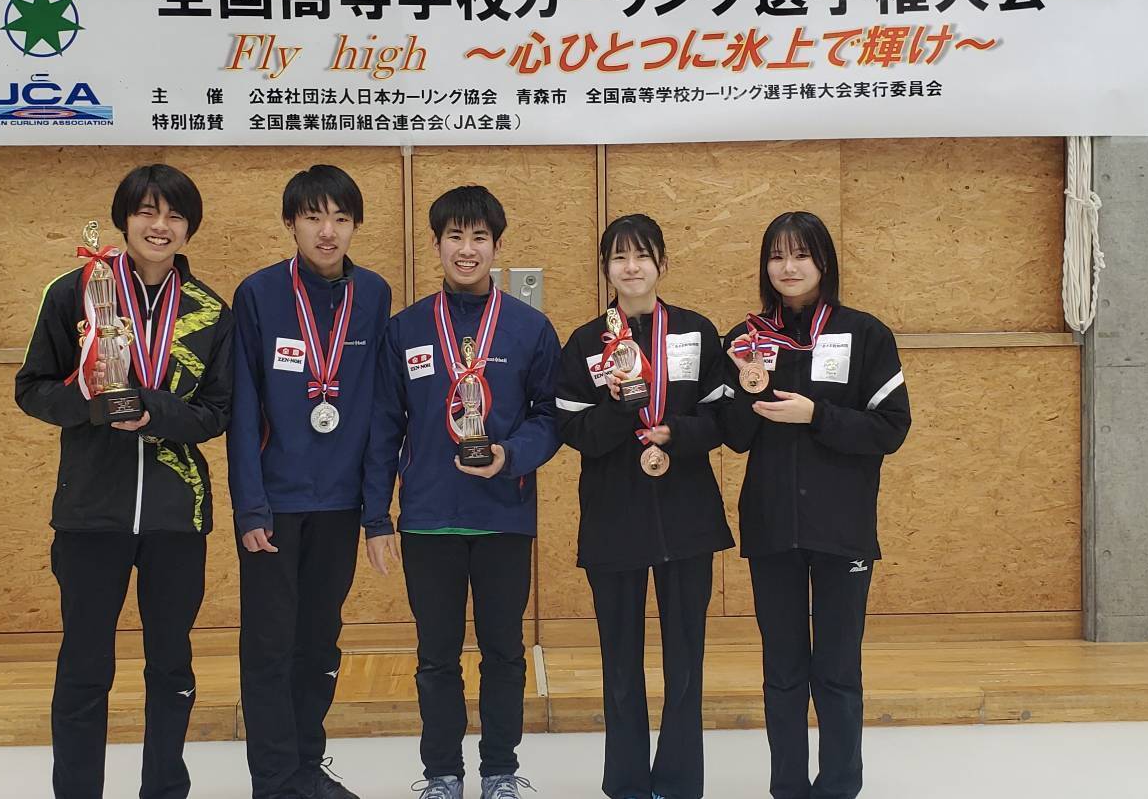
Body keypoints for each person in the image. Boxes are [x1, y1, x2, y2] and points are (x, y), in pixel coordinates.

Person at [15, 163, 235, 799]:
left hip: (176, 518)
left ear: (189, 228)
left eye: (174, 215)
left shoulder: (210, 311)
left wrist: (151, 411)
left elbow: (216, 413)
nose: (159, 226)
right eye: (147, 212)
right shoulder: (75, 293)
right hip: (91, 515)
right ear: (124, 219)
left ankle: (164, 790)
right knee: (85, 668)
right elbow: (31, 389)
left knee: (171, 666)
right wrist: (91, 403)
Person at [361, 185, 562, 799]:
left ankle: (500, 771)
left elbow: (550, 418)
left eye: (479, 237)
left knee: (504, 653)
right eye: (455, 236)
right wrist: (377, 517)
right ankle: (442, 773)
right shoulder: (406, 329)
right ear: (437, 243)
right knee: (435, 657)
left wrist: (509, 456)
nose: (467, 249)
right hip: (428, 519)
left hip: (504, 517)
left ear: (497, 246)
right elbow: (383, 426)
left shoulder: (529, 328)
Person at [719, 211, 911, 799]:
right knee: (782, 672)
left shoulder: (865, 334)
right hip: (772, 526)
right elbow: (734, 435)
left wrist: (816, 415)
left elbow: (891, 428)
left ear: (824, 262)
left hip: (841, 528)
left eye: (801, 254)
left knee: (837, 670)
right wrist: (746, 385)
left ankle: (838, 788)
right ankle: (787, 787)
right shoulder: (746, 340)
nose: (789, 266)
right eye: (777, 255)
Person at [554, 214, 734, 799]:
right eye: (619, 257)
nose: (631, 267)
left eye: (642, 256)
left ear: (662, 263)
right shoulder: (586, 342)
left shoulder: (697, 332)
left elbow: (722, 419)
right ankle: (627, 783)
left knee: (685, 662)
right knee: (619, 664)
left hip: (686, 515)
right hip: (614, 517)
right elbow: (571, 430)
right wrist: (617, 410)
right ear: (605, 268)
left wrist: (675, 432)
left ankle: (678, 783)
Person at [228, 164, 392, 799]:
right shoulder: (259, 294)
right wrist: (250, 507)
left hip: (340, 504)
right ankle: (273, 780)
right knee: (270, 646)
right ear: (290, 223)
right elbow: (244, 410)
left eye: (341, 219)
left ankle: (305, 766)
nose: (328, 232)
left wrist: (374, 511)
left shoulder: (373, 295)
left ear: (355, 226)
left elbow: (378, 409)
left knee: (320, 642)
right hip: (275, 503)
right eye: (314, 217)